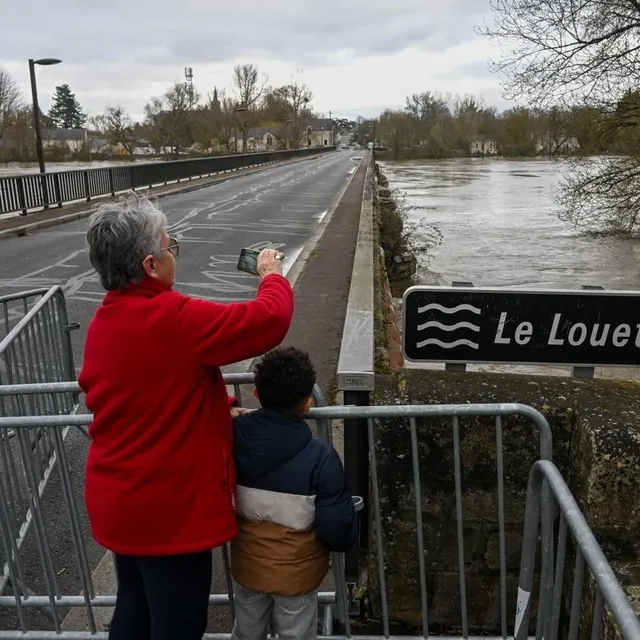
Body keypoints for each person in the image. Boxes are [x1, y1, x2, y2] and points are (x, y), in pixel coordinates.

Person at [78, 193, 294, 640]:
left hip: (121, 501)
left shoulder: (105, 321)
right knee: (177, 624)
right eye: (169, 245)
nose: (174, 253)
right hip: (168, 512)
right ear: (151, 265)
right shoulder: (173, 318)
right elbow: (269, 320)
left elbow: (144, 394)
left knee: (134, 609)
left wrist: (214, 405)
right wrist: (271, 274)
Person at [230, 346, 357, 640]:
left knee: (247, 632)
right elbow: (335, 529)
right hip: (297, 575)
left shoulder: (232, 437)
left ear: (257, 395)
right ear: (307, 403)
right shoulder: (320, 457)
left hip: (248, 567)